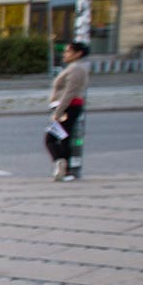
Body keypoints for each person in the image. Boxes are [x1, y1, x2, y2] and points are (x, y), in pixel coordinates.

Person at [46, 40, 89, 181]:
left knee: (50, 139)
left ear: (78, 54)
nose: (64, 54)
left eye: (68, 51)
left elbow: (69, 92)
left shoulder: (76, 69)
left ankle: (61, 164)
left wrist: (58, 113)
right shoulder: (74, 67)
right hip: (67, 107)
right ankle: (66, 171)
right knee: (64, 138)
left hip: (67, 108)